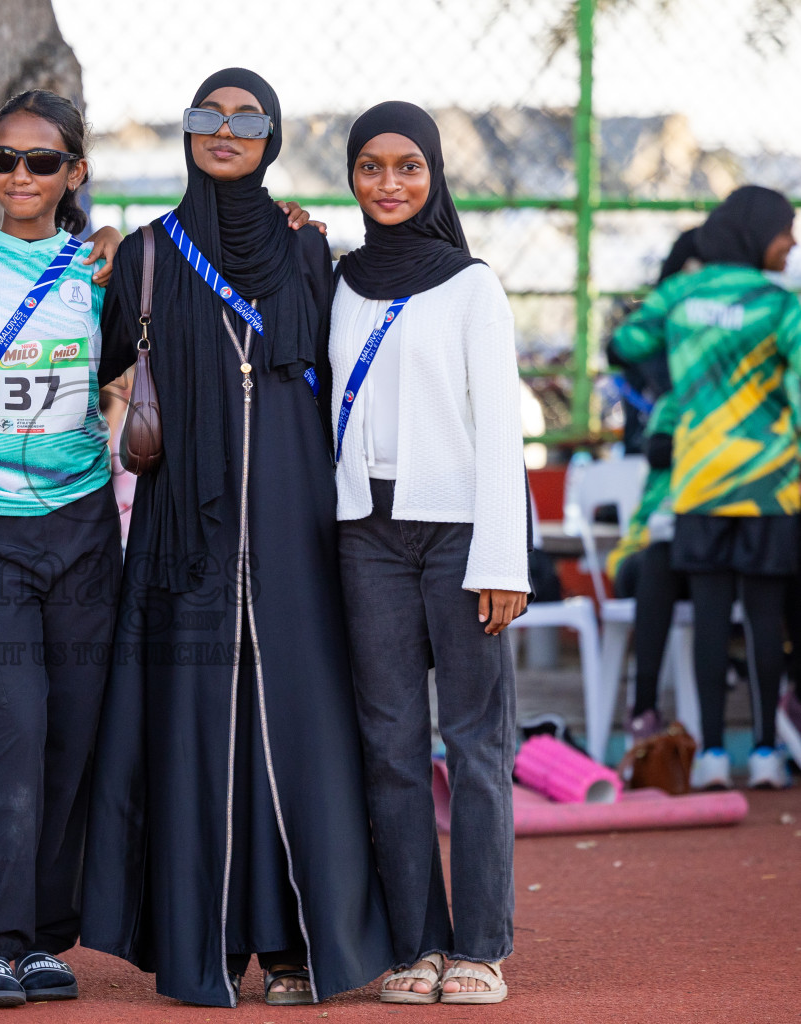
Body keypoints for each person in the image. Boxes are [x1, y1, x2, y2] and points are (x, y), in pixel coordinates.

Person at [80, 68, 392, 1009]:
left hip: (296, 532)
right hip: (188, 540)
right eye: (207, 116)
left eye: (246, 118)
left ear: (273, 135)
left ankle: (296, 942)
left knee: (295, 732)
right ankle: (203, 946)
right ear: (184, 133)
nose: (225, 130)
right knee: (195, 737)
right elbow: (90, 369)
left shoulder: (308, 251)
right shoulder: (143, 254)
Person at [0, 89, 128, 1007]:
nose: (19, 176)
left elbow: (211, 281)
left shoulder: (102, 271)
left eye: (41, 162)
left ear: (73, 174)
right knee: (16, 722)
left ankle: (47, 938)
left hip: (84, 523)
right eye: (3, 159)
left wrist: (290, 226)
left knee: (76, 730)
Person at [330, 102, 528, 1006]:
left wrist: (502, 559)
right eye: (371, 167)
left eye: (408, 166)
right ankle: (418, 943)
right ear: (351, 177)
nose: (390, 183)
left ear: (435, 173)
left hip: (458, 534)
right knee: (389, 743)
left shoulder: (472, 285)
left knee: (476, 740)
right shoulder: (336, 280)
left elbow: (499, 433)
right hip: (363, 531)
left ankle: (481, 946)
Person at [614, 184, 801, 791]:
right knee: (767, 619)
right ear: (757, 235)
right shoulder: (783, 308)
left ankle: (715, 756)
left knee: (713, 618)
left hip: (699, 481)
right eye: (786, 230)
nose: (792, 241)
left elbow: (625, 345)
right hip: (771, 485)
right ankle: (768, 753)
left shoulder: (680, 294)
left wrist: (684, 372)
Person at [605, 392, 684, 743]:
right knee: (659, 558)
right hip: (641, 555)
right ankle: (644, 710)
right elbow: (657, 450)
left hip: (702, 558)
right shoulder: (674, 403)